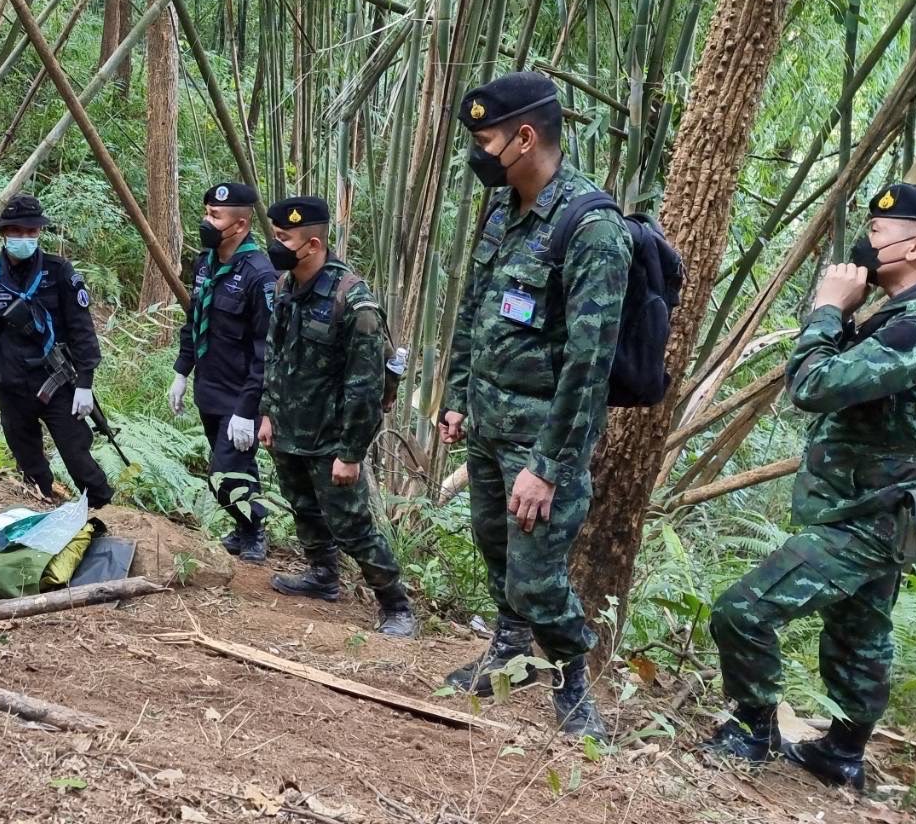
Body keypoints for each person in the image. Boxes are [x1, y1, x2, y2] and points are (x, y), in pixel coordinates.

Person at [705, 184, 916, 791]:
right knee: (860, 634)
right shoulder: (914, 319)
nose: (866, 242)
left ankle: (753, 731)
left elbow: (814, 385)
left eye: (879, 234)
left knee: (743, 611)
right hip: (879, 510)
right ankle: (841, 754)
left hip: (870, 517)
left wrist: (828, 309)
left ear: (915, 244)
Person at [437, 71, 631, 742]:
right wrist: (458, 396)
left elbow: (589, 363)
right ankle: (509, 652)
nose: (476, 152)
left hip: (540, 441)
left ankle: (575, 682)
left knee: (536, 574)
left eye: (483, 138)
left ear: (524, 137)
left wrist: (548, 465)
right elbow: (476, 307)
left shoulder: (590, 228)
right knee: (492, 547)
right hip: (489, 425)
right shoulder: (502, 211)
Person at [259, 195, 415, 638]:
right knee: (304, 508)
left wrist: (351, 452)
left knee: (353, 526)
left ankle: (395, 604)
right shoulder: (284, 287)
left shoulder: (355, 304)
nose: (276, 244)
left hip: (332, 439)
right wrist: (267, 413)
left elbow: (365, 388)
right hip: (290, 429)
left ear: (311, 244)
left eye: (283, 237)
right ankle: (322, 576)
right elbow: (275, 354)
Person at [0, 195, 112, 508]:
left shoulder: (59, 272)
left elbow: (81, 330)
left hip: (56, 381)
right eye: (18, 232)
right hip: (9, 383)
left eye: (33, 232)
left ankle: (105, 510)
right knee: (27, 456)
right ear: (4, 234)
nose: (26, 238)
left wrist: (85, 383)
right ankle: (43, 503)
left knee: (77, 454)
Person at [169, 182, 276, 562]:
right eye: (207, 212)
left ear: (241, 225)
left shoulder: (259, 275)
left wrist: (250, 409)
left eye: (215, 216)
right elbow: (194, 319)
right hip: (209, 388)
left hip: (239, 393)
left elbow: (266, 350)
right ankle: (246, 528)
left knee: (224, 474)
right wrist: (182, 371)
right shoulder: (206, 263)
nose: (206, 221)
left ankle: (255, 531)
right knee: (235, 468)